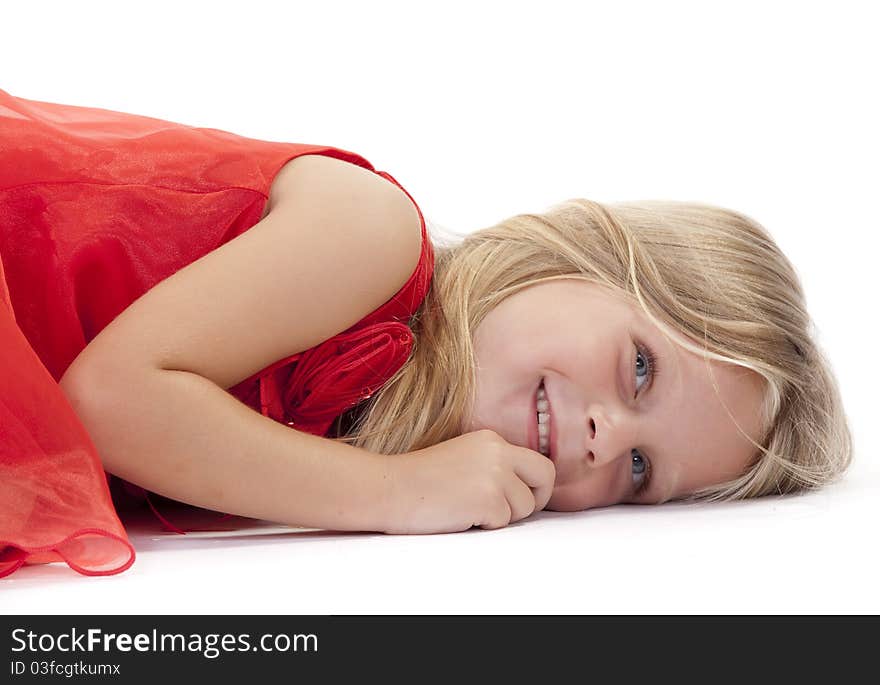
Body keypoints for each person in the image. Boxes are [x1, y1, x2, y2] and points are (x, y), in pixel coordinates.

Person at [0, 89, 852, 579]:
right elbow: (111, 400)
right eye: (639, 368)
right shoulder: (370, 235)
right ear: (584, 259)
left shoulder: (342, 428)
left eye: (640, 468)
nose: (604, 435)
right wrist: (395, 492)